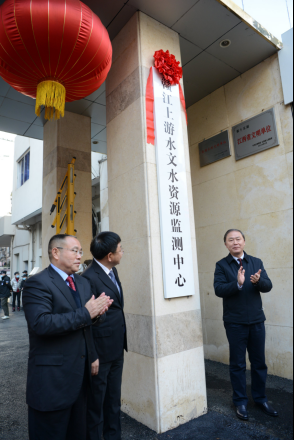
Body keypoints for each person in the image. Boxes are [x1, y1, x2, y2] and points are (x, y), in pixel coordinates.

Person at [22, 234, 114, 440]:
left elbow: (86, 325)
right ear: (56, 252)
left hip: (80, 377)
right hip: (51, 382)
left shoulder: (81, 283)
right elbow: (41, 324)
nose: (80, 256)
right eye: (75, 251)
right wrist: (87, 313)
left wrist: (98, 314)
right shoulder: (37, 284)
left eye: (81, 252)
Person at [214, 229, 278, 421]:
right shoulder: (221, 265)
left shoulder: (256, 262)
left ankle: (260, 399)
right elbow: (218, 289)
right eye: (230, 240)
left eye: (238, 239)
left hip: (257, 321)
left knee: (259, 363)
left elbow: (268, 285)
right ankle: (240, 401)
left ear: (244, 241)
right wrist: (238, 283)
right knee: (238, 364)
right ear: (225, 244)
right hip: (235, 323)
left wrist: (258, 282)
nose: (235, 243)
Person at [82, 232, 128, 440]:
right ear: (110, 255)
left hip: (117, 347)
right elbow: (86, 323)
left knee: (113, 400)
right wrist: (92, 354)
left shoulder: (112, 271)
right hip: (100, 353)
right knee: (96, 404)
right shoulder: (88, 278)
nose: (122, 251)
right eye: (120, 248)